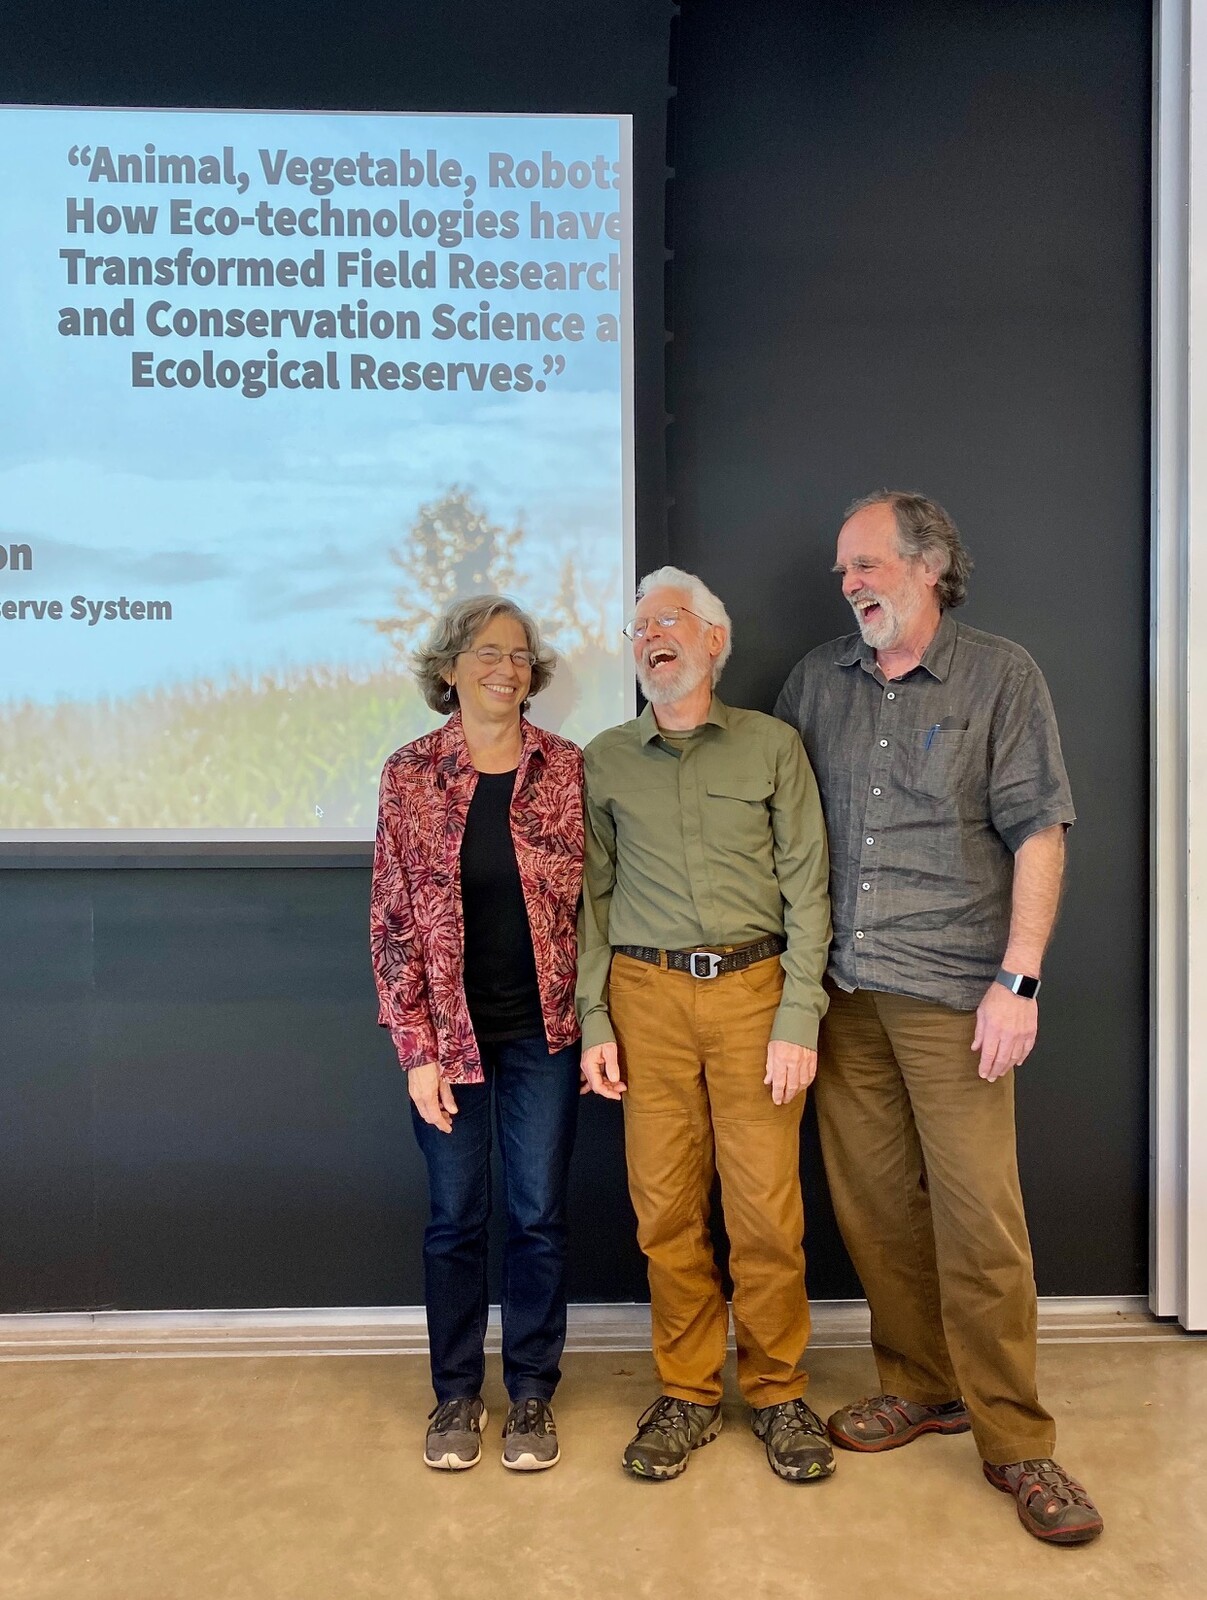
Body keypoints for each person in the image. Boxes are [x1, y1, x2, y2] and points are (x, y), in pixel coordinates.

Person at [775, 491, 1102, 1544]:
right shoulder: (814, 683)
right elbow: (781, 833)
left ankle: (1016, 1442)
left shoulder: (1000, 676)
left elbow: (1039, 831)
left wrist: (1020, 979)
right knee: (872, 1208)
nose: (849, 584)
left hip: (957, 997)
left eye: (865, 563)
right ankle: (921, 1385)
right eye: (841, 571)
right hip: (841, 993)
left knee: (980, 1222)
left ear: (925, 566)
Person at [578, 566, 834, 1483]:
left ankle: (775, 1388)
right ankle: (687, 1392)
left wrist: (798, 1012)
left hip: (754, 996)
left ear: (713, 640)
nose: (651, 635)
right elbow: (591, 901)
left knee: (766, 1209)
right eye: (637, 625)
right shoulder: (602, 758)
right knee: (664, 1210)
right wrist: (594, 1015)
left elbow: (808, 888)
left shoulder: (772, 748)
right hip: (644, 1003)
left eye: (670, 619)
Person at [370, 595, 583, 1474]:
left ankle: (531, 1393)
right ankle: (455, 1392)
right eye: (488, 651)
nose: (507, 667)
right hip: (448, 1043)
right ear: (449, 666)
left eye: (521, 654)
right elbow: (390, 923)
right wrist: (416, 1051)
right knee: (455, 1219)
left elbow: (593, 905)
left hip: (545, 1033)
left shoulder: (566, 768)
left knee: (537, 1216)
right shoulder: (411, 773)